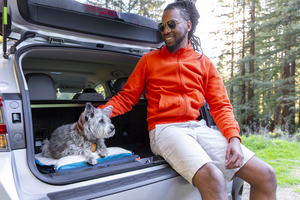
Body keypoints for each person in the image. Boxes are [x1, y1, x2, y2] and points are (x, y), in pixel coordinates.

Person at [76, 1, 277, 199]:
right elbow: (126, 97)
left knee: (266, 176)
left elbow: (219, 104)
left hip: (198, 127)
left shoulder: (204, 63)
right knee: (213, 178)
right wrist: (96, 114)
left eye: (171, 24)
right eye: (162, 26)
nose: (165, 30)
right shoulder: (149, 60)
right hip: (164, 129)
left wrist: (233, 138)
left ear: (188, 25)